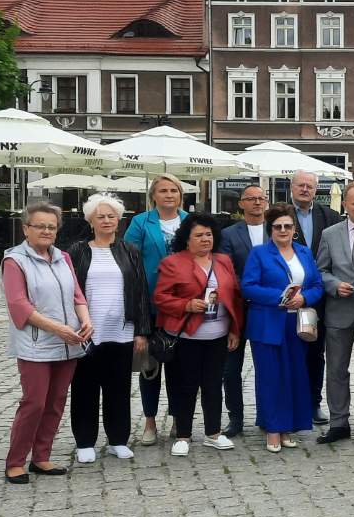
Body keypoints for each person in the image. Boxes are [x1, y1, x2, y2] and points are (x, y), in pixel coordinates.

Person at [1, 202, 93, 483]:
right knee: (35, 402)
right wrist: (58, 329)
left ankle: (41, 457)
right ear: (25, 228)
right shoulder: (15, 261)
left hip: (69, 343)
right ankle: (15, 461)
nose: (46, 231)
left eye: (51, 227)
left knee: (56, 402)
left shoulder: (63, 257)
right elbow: (19, 306)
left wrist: (86, 319)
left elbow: (77, 294)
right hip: (37, 344)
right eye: (39, 225)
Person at [67, 194, 151, 463]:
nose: (106, 220)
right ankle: (84, 441)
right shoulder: (77, 251)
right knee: (84, 387)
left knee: (118, 387)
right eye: (100, 216)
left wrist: (141, 330)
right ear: (90, 220)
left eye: (111, 216)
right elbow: (70, 291)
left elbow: (140, 292)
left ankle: (118, 439)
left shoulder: (129, 251)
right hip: (87, 331)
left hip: (122, 330)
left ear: (118, 220)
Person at [153, 213, 244, 456]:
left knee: (214, 385)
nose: (205, 239)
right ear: (186, 239)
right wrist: (186, 305)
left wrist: (235, 329)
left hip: (217, 335)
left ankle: (213, 433)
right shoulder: (173, 263)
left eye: (208, 234)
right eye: (199, 235)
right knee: (185, 386)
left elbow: (234, 297)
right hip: (186, 337)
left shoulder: (223, 260)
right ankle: (183, 435)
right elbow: (160, 298)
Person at [241, 203, 325, 452]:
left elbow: (317, 285)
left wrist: (305, 298)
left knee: (294, 376)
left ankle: (288, 426)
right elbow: (248, 286)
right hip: (268, 322)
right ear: (271, 229)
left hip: (297, 324)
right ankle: (273, 429)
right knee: (270, 377)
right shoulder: (259, 254)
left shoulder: (304, 253)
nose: (283, 230)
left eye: (288, 226)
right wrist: (279, 296)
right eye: (278, 226)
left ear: (294, 229)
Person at [123, 174, 186, 445]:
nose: (169, 195)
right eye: (163, 190)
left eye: (174, 190)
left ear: (181, 195)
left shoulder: (190, 221)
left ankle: (177, 418)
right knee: (150, 365)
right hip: (149, 302)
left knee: (181, 367)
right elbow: (128, 258)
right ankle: (149, 422)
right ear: (153, 196)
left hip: (183, 305)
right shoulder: (140, 222)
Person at [315, 182, 354, 445]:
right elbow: (320, 270)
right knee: (336, 370)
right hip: (339, 311)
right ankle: (339, 422)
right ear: (345, 205)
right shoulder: (330, 234)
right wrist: (333, 285)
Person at [219, 183, 268, 437]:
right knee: (231, 369)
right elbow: (226, 271)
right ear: (241, 204)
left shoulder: (277, 230)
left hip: (268, 309)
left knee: (266, 367)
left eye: (261, 198)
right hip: (236, 309)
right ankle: (235, 418)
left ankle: (266, 414)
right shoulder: (228, 234)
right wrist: (249, 288)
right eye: (251, 198)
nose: (257, 203)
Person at [289, 170, 336, 425]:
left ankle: (314, 402)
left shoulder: (329, 216)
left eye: (310, 186)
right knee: (289, 351)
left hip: (319, 297)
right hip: (287, 295)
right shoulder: (280, 216)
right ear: (292, 187)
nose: (305, 189)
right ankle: (292, 401)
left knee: (316, 352)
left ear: (316, 189)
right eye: (301, 185)